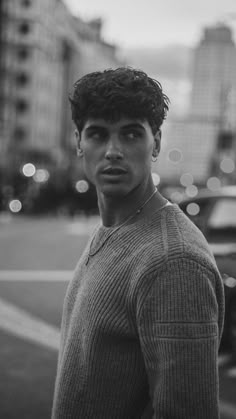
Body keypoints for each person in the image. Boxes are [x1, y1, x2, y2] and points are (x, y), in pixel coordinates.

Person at [52, 67, 224, 419]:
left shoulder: (172, 261)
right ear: (78, 142)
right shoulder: (114, 226)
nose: (113, 151)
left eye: (131, 134)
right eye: (98, 134)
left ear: (156, 142)